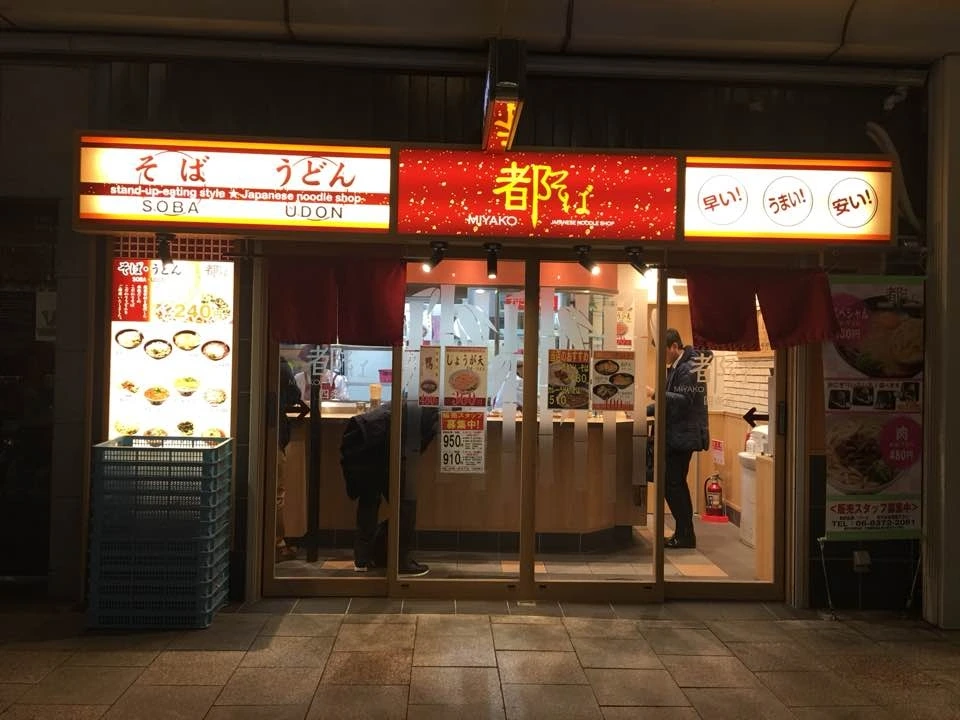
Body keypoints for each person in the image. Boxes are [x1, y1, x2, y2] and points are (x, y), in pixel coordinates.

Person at [339, 402, 438, 576]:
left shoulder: (413, 398)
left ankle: (362, 559)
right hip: (388, 449)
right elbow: (416, 446)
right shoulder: (432, 409)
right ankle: (400, 561)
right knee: (405, 506)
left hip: (367, 444)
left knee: (369, 503)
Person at [646, 328, 712, 549]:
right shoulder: (677, 366)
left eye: (663, 351)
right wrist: (644, 410)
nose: (661, 356)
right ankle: (683, 533)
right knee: (673, 484)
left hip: (683, 435)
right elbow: (668, 402)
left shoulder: (689, 367)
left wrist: (655, 394)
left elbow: (684, 400)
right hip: (677, 434)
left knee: (673, 484)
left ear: (674, 346)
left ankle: (685, 535)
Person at [276, 358, 302, 562]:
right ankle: (277, 545)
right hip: (275, 437)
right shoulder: (283, 366)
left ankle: (273, 543)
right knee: (276, 493)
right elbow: (295, 397)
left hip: (267, 435)